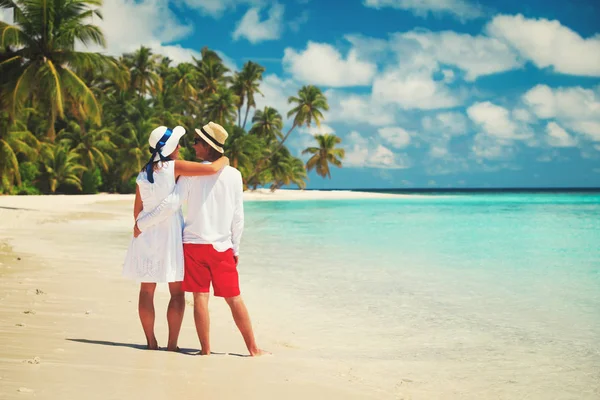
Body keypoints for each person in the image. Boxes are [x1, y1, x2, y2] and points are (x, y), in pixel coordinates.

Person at [136, 122, 268, 357]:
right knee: (234, 298)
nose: (193, 145)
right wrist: (235, 247)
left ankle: (205, 350)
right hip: (222, 246)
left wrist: (143, 222)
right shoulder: (235, 175)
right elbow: (239, 217)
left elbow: (174, 202)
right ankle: (253, 348)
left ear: (207, 147)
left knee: (200, 297)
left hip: (194, 245)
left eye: (197, 142)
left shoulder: (190, 175)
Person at [122, 125, 229, 351]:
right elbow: (210, 170)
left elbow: (136, 212)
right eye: (177, 144)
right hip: (169, 234)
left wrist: (142, 225)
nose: (180, 147)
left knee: (146, 290)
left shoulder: (143, 173)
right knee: (177, 292)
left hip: (146, 234)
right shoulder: (174, 167)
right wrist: (225, 160)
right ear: (170, 147)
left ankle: (151, 342)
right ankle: (172, 344)